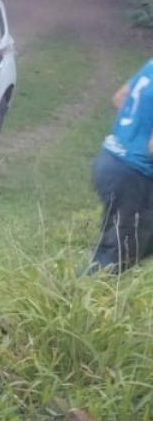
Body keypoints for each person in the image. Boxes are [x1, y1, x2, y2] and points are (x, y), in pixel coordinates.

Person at [90, 61, 153, 272]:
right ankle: (81, 290)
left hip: (110, 160)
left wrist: (135, 131)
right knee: (118, 254)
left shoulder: (151, 65)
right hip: (133, 172)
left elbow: (119, 97)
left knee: (134, 242)